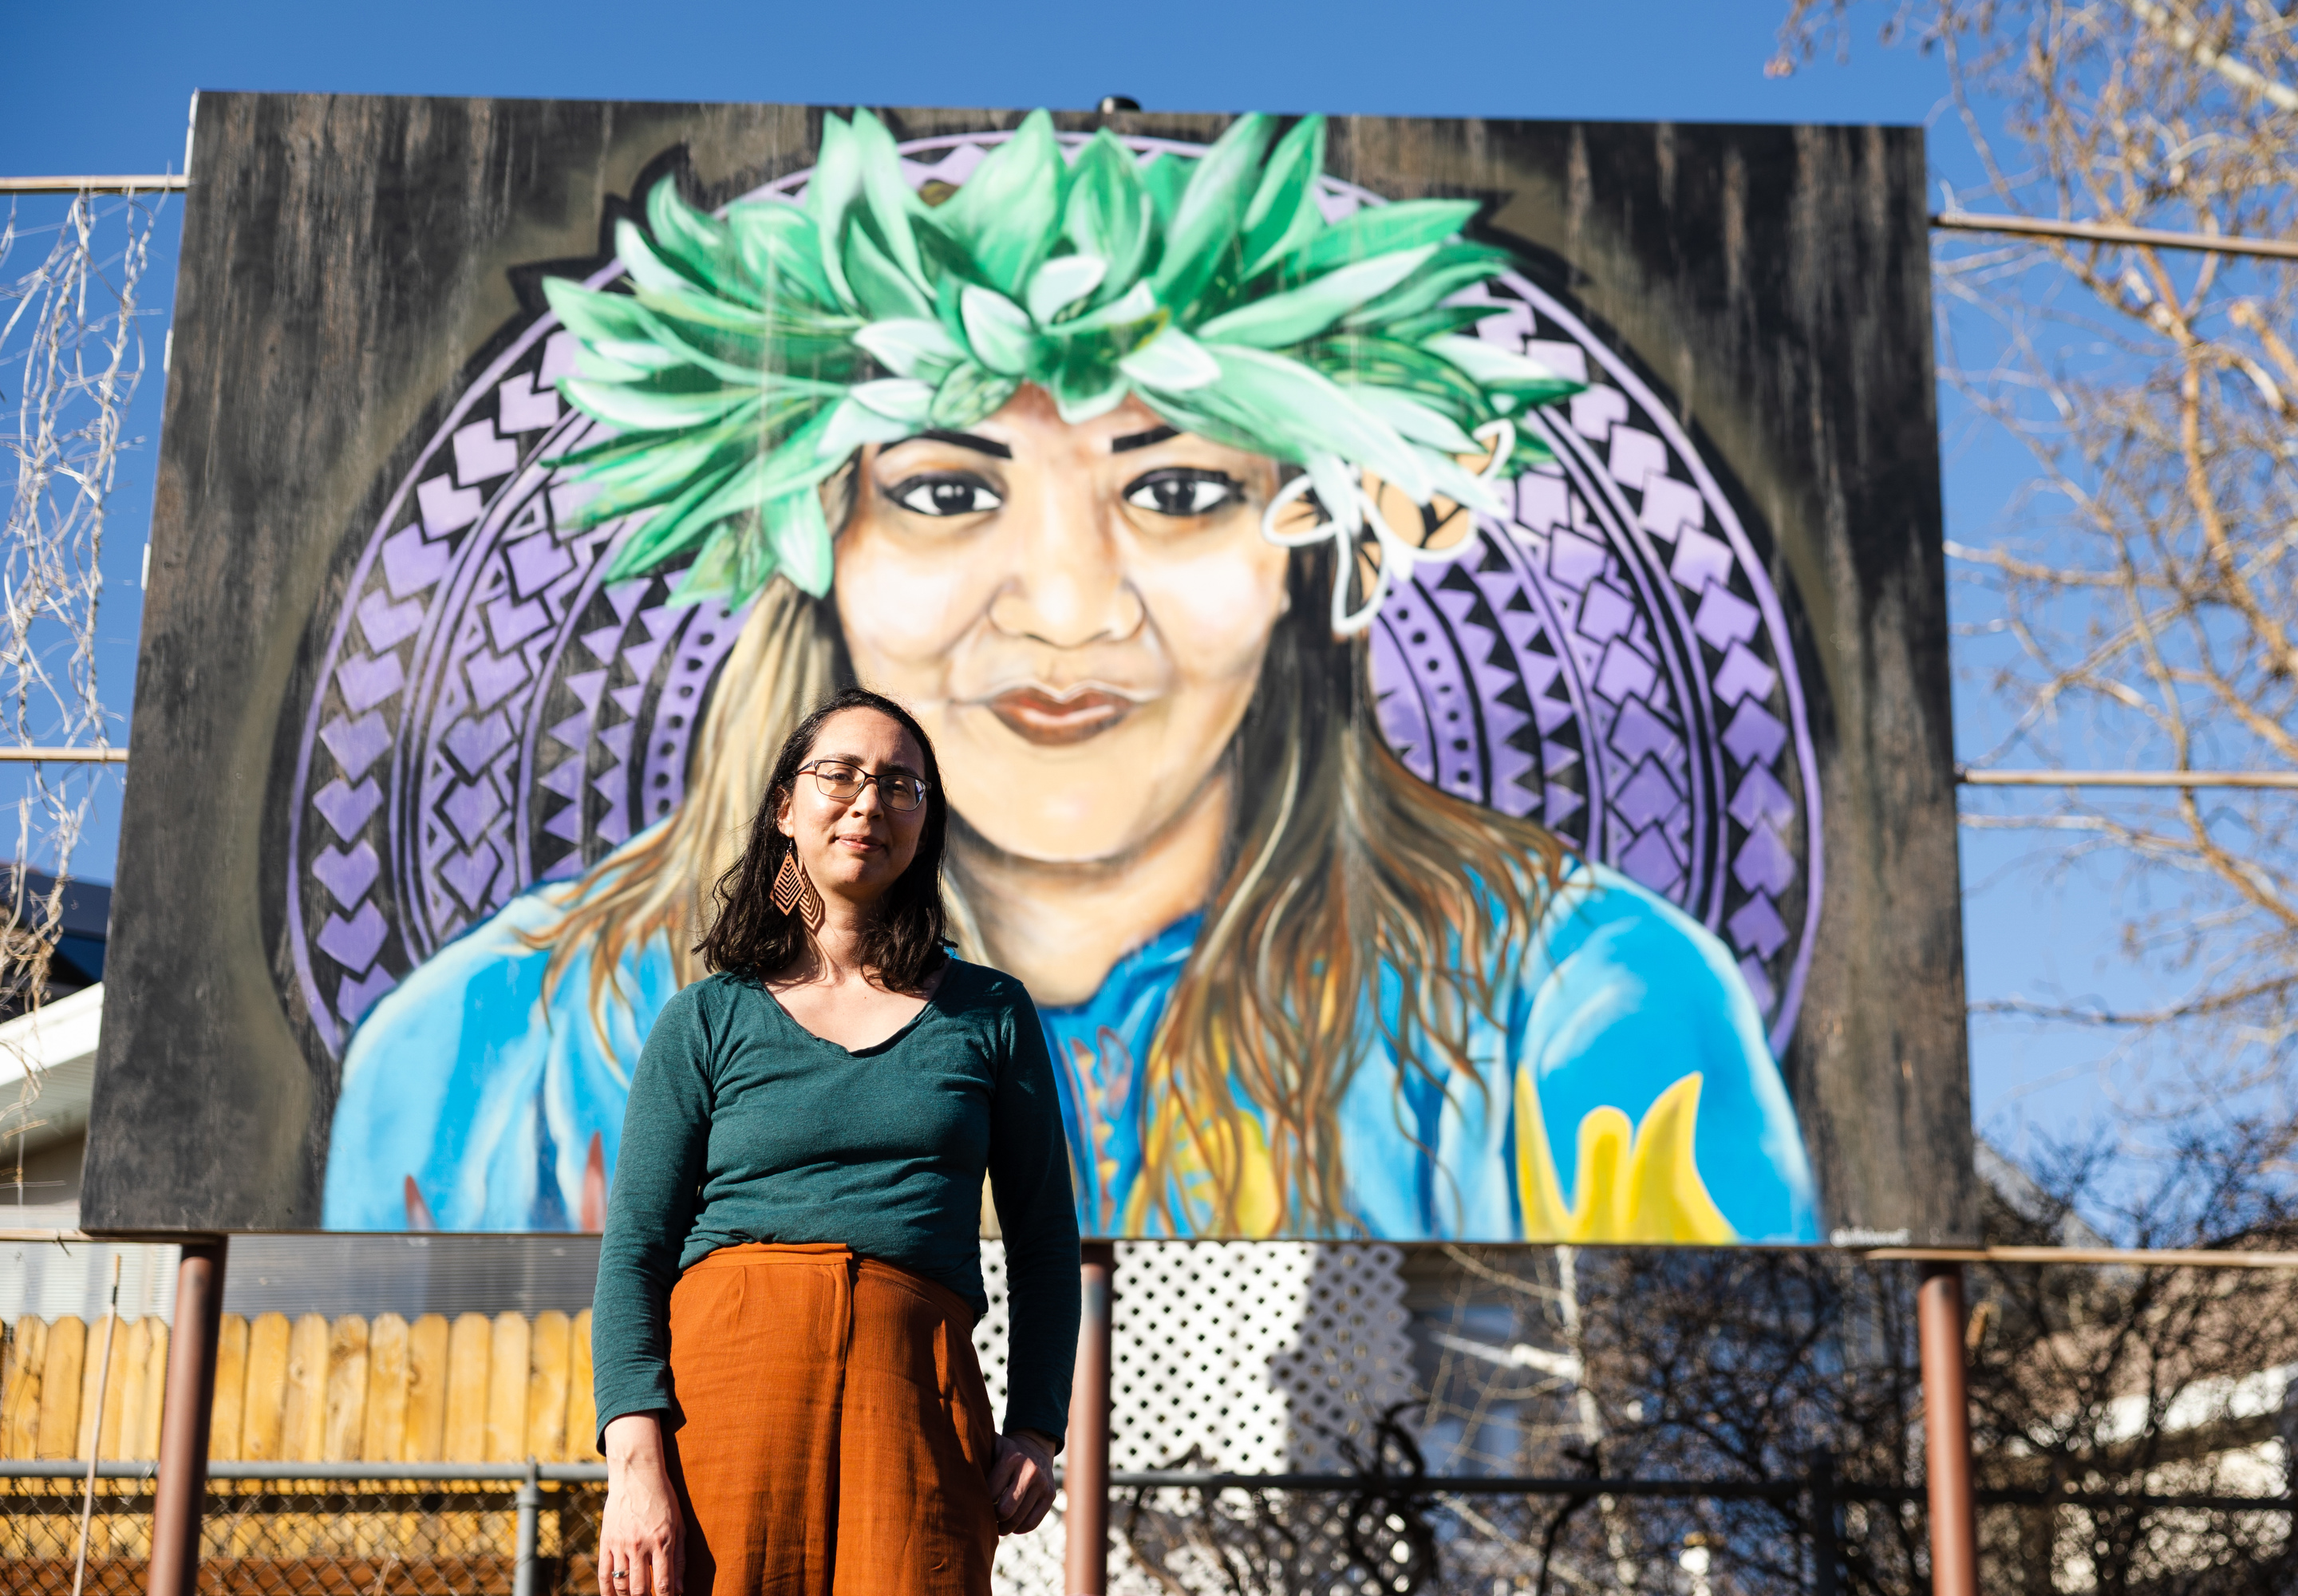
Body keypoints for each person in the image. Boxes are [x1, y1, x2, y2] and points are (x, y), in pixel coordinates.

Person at [322, 108, 1820, 1245]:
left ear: (1308, 557)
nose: (1066, 609)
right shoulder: (506, 1052)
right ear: (813, 543)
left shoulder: (1578, 1015)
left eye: (1178, 491)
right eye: (945, 492)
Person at [592, 686, 1079, 1596]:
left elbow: (1045, 1241)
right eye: (841, 774)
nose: (869, 802)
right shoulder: (705, 1019)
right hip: (725, 1408)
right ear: (786, 807)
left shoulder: (991, 1013)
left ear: (925, 824)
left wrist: (1036, 1427)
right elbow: (635, 1254)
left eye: (900, 784)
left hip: (916, 1408)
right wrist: (635, 1464)